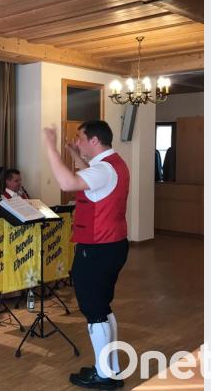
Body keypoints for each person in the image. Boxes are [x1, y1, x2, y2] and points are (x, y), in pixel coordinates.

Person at [43, 120, 129, 390]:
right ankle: (110, 368)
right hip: (112, 245)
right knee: (102, 308)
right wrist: (73, 153)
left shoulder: (103, 169)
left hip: (97, 248)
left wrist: (49, 145)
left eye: (79, 137)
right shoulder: (113, 164)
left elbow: (69, 182)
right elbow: (90, 176)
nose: (76, 140)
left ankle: (105, 376)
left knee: (94, 312)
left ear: (94, 140)